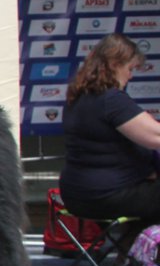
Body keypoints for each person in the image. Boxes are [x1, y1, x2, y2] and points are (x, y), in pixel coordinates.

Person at [60, 33, 160, 223]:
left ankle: (135, 248)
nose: (130, 76)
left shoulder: (78, 97)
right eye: (130, 69)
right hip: (106, 196)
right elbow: (155, 137)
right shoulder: (111, 100)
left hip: (76, 195)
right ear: (114, 64)